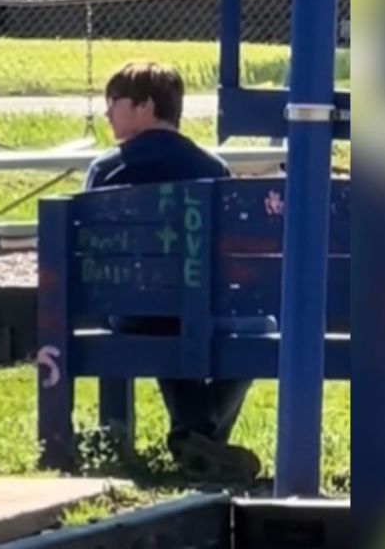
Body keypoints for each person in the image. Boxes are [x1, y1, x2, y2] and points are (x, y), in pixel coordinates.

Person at [84, 61, 261, 482]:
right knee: (256, 328)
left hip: (127, 309)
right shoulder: (211, 168)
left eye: (114, 103)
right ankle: (203, 437)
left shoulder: (107, 169)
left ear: (145, 106)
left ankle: (195, 438)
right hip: (198, 307)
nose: (107, 113)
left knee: (166, 312)